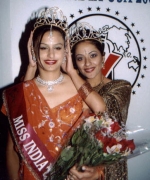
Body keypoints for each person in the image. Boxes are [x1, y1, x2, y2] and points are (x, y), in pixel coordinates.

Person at [1, 8, 106, 180]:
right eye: (43, 48)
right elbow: (11, 150)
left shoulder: (80, 89)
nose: (51, 55)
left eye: (57, 47)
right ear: (34, 49)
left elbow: (100, 118)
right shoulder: (17, 94)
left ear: (66, 50)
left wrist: (97, 171)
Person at [24, 21, 132, 180]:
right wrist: (32, 67)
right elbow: (25, 104)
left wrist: (72, 72)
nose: (87, 63)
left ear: (103, 58)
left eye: (93, 55)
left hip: (109, 168)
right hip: (76, 168)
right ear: (74, 61)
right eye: (80, 58)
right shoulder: (73, 88)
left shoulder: (121, 87)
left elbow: (103, 109)